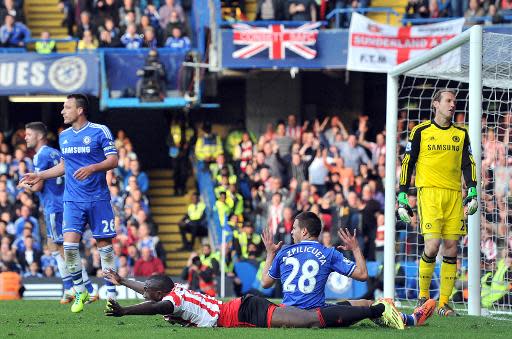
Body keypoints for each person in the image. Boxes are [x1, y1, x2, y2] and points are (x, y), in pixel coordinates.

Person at [22, 94, 119, 313]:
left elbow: (114, 160)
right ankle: (80, 289)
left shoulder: (99, 131)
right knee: (69, 247)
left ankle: (112, 294)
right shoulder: (64, 136)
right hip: (72, 200)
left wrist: (93, 168)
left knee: (105, 247)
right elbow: (65, 166)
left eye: (67, 107)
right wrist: (40, 175)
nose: (62, 111)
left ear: (80, 110)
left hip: (98, 199)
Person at [104, 270, 433, 330]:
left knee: (307, 321)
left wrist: (125, 312)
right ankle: (367, 306)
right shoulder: (172, 288)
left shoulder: (169, 301)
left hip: (245, 311)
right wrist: (123, 281)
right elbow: (151, 293)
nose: (143, 290)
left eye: (146, 288)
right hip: (243, 306)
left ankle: (377, 308)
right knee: (312, 315)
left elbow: (154, 305)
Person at [397, 89, 478, 317]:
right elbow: (407, 163)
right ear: (436, 104)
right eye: (448, 101)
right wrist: (402, 194)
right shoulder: (420, 131)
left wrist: (472, 190)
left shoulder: (461, 134)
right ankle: (423, 297)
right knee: (432, 246)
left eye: (455, 101)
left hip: (453, 195)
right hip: (429, 194)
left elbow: (468, 163)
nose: (453, 105)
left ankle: (444, 303)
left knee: (452, 248)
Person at [19, 121, 97, 304]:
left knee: (63, 249)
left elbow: (38, 185)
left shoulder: (40, 156)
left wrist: (24, 186)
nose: (25, 137)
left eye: (28, 134)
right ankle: (69, 288)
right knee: (53, 247)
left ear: (39, 136)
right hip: (61, 204)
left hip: (55, 206)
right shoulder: (56, 152)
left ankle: (89, 288)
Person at [260, 211, 367, 309]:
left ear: (304, 232)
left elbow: (265, 283)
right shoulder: (329, 253)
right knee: (364, 303)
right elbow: (362, 275)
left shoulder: (284, 252)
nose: (292, 232)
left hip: (288, 313)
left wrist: (270, 253)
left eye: (294, 228)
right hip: (316, 315)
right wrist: (356, 248)